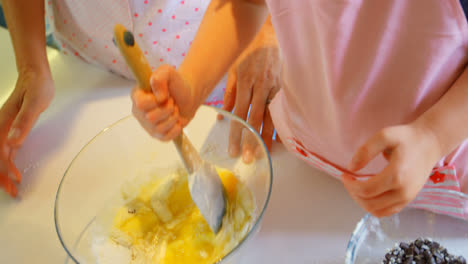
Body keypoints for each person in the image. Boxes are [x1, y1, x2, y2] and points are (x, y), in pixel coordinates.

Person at [132, 0, 468, 220]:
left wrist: (432, 136)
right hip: (311, 162)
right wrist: (193, 83)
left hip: (440, 174)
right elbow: (243, 6)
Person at [0, 0, 281, 197]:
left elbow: (248, 5)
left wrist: (275, 22)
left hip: (225, 56)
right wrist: (32, 66)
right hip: (94, 68)